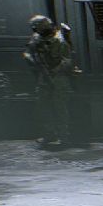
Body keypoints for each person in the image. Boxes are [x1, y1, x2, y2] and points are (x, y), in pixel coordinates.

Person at [24, 15, 79, 146]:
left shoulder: (60, 39)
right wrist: (34, 62)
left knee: (60, 107)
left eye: (37, 26)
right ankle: (49, 134)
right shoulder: (36, 38)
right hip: (43, 78)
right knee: (44, 107)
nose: (34, 29)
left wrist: (54, 71)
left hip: (59, 78)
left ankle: (63, 135)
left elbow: (66, 60)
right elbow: (27, 53)